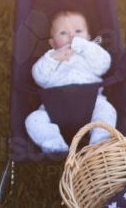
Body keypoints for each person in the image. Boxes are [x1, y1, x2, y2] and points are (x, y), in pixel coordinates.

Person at [25, 10, 117, 152]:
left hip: (90, 102)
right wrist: (54, 58)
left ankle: (99, 142)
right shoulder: (51, 58)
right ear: (53, 43)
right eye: (63, 33)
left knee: (106, 111)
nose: (71, 36)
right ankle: (54, 144)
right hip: (55, 106)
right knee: (33, 120)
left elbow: (103, 64)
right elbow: (39, 77)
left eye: (78, 31)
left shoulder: (90, 56)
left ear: (88, 37)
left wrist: (86, 47)